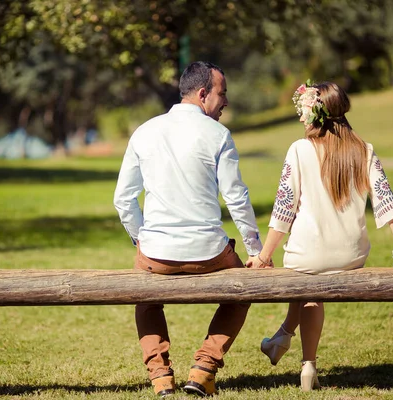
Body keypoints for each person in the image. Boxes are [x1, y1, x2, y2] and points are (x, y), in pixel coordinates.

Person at [251, 81, 393, 391]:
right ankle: (284, 343)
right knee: (311, 280)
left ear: (319, 112)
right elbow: (387, 204)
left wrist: (264, 257)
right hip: (350, 255)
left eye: (303, 109)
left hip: (306, 254)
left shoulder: (299, 149)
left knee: (307, 274)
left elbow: (283, 210)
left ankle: (305, 361)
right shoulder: (364, 150)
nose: (301, 117)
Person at [113, 61, 265, 397]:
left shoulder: (144, 131)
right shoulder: (218, 135)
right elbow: (236, 198)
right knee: (246, 290)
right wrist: (255, 251)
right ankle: (205, 367)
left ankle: (160, 378)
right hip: (209, 252)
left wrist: (142, 240)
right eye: (222, 94)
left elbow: (123, 200)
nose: (225, 101)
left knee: (146, 299)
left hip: (156, 253)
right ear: (202, 94)